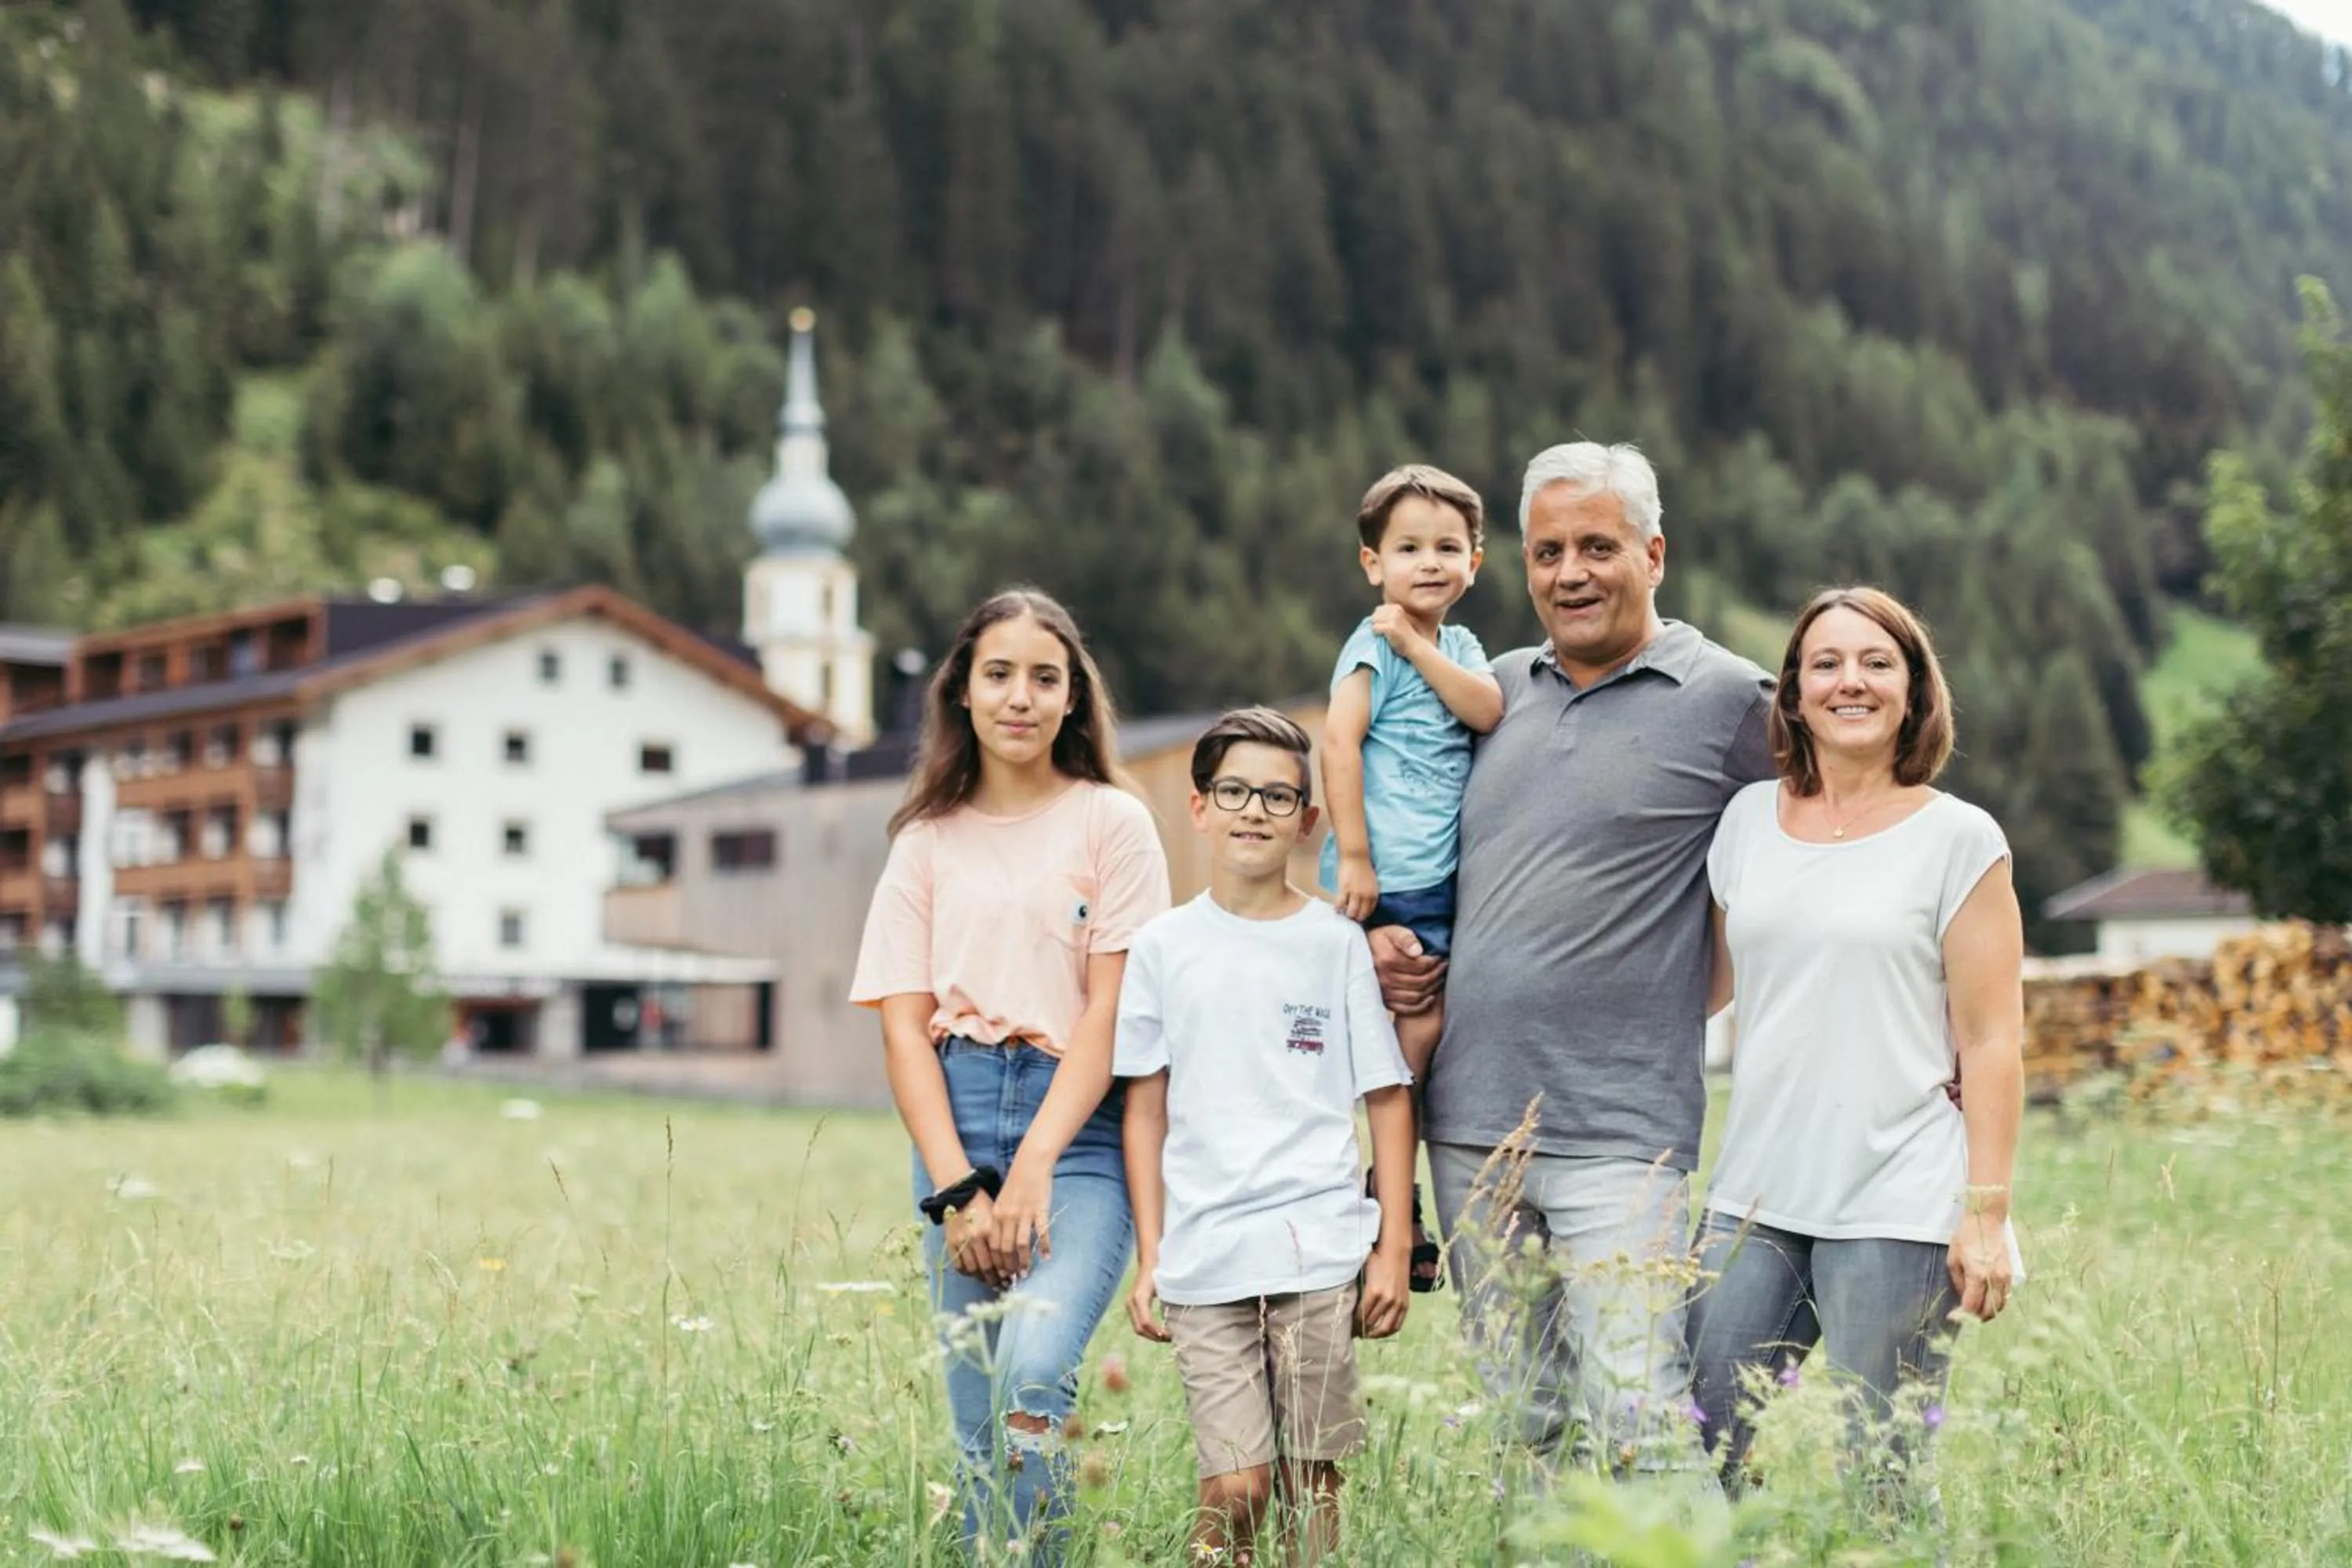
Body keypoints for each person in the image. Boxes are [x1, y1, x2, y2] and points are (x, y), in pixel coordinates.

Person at [1372, 441, 1776, 1472]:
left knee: (1643, 1421)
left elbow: (1847, 823)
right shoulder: (1488, 690)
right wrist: (1378, 931)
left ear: (1655, 552)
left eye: (1598, 546)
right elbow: (1402, 824)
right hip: (1467, 1127)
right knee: (1529, 1430)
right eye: (1547, 552)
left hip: (1623, 1133)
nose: (1570, 573)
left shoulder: (1729, 699)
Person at [849, 587, 1172, 1560]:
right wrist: (957, 1191)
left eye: (1045, 677)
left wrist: (1032, 1166)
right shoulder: (925, 839)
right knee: (979, 1425)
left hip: (1075, 1135)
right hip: (952, 1123)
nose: (1020, 697)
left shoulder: (1114, 822)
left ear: (1074, 697)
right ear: (963, 690)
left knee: (1033, 1377)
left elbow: (1111, 1011)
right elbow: (904, 1028)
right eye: (999, 674)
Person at [1687, 586, 2024, 1505]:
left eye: (1878, 663)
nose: (1852, 681)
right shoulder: (1747, 821)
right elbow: (1707, 985)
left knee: (1882, 1481)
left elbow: (1993, 1039)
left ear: (1915, 691)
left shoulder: (1959, 838)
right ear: (1792, 693)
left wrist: (1986, 1213)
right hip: (1753, 1196)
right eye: (1826, 663)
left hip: (1898, 1202)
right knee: (1692, 1447)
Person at [1118, 707, 1416, 1564]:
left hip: (1318, 1251)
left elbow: (1387, 1098)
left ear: (1308, 821)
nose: (1256, 809)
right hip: (1206, 1254)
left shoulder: (1334, 943)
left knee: (1309, 1481)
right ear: (1201, 806)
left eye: (1279, 795)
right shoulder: (1164, 946)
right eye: (1236, 790)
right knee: (1237, 1484)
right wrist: (1153, 1252)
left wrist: (1391, 1245)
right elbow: (1146, 1106)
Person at [1319, 463, 1501, 1294]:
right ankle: (1392, 1196)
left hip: (1441, 876)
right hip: (1388, 877)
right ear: (1372, 564)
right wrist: (1354, 854)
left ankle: (1394, 1192)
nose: (1429, 562)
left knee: (1419, 1036)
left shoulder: (1451, 647)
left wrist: (1418, 644)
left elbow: (1488, 710)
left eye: (1447, 547)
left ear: (1476, 560)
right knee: (1410, 1033)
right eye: (1408, 548)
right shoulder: (1368, 648)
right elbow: (1337, 743)